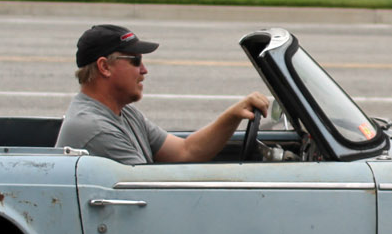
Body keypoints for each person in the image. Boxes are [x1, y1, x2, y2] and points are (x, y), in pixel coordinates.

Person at [55, 24, 271, 164]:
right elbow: (148, 190)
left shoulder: (124, 113)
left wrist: (233, 115)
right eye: (135, 61)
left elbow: (186, 151)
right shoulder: (94, 128)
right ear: (105, 67)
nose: (144, 70)